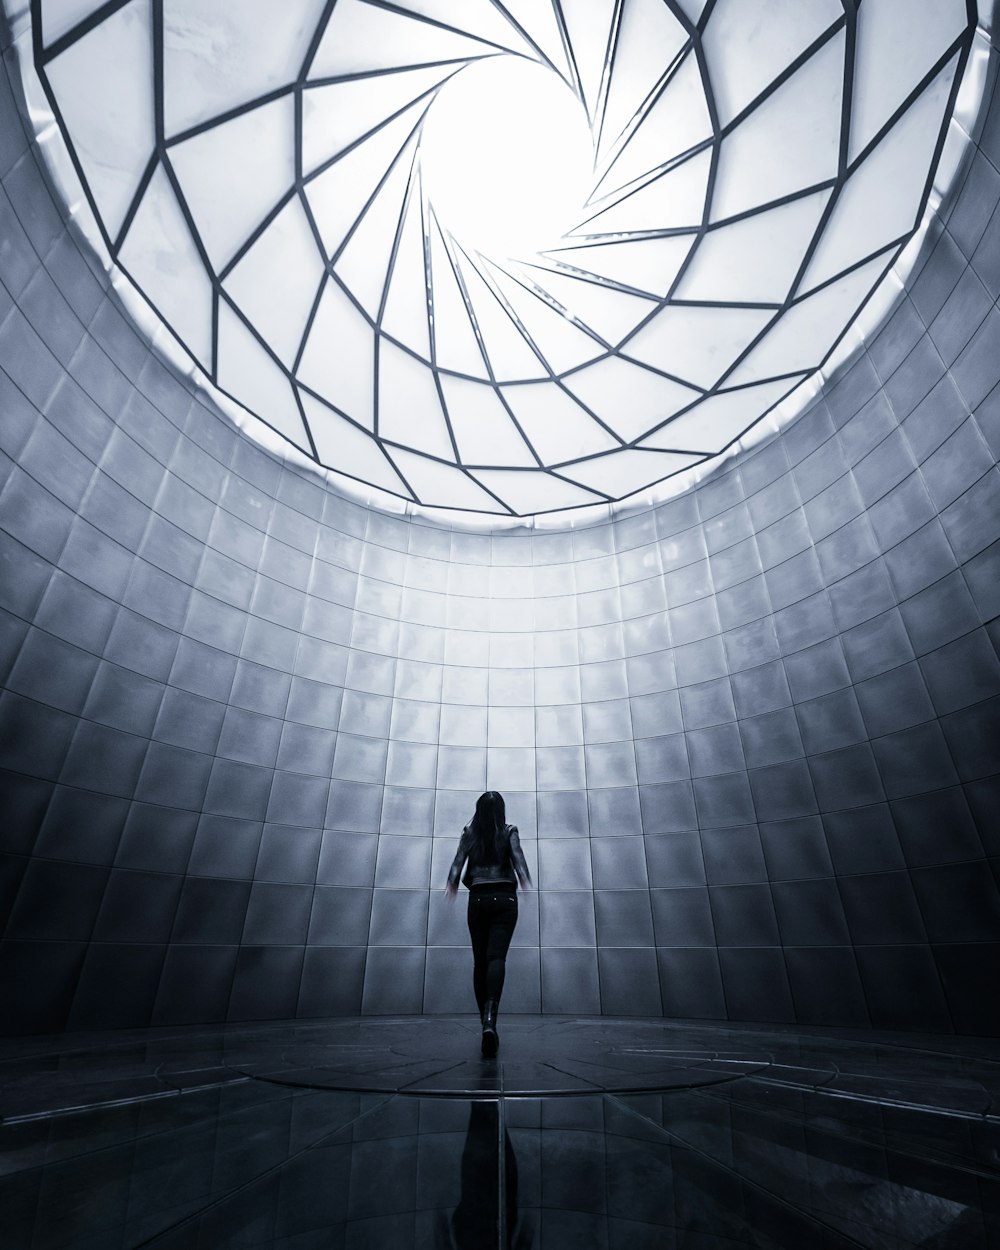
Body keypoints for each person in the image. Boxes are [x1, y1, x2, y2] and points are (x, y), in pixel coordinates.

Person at [445, 791, 531, 1057]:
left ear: (478, 810)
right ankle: (490, 1022)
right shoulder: (509, 831)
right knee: (496, 959)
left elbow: (458, 863)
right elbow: (518, 860)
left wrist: (451, 885)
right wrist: (526, 881)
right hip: (505, 898)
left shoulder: (469, 832)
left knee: (480, 962)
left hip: (478, 899)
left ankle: (485, 1021)